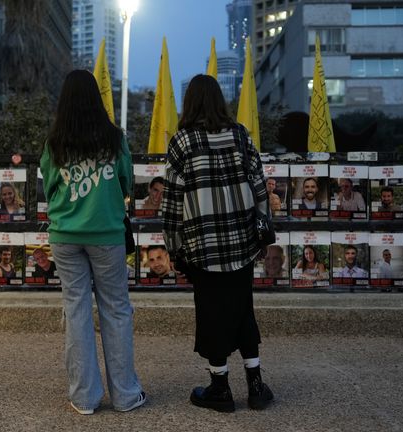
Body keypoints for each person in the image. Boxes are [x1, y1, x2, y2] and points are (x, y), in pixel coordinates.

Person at [162, 74, 273, 413]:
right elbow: (259, 186)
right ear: (219, 101)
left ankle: (220, 389)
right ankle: (255, 385)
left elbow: (172, 202)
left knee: (211, 313)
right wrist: (264, 232)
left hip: (202, 246)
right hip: (241, 243)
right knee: (243, 310)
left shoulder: (182, 142)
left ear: (190, 103)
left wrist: (174, 247)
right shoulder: (240, 134)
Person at [40, 70, 144, 414]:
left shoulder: (55, 142)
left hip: (65, 236)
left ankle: (84, 397)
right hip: (107, 235)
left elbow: (50, 188)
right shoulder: (115, 139)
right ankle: (126, 395)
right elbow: (127, 184)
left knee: (77, 310)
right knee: (116, 309)